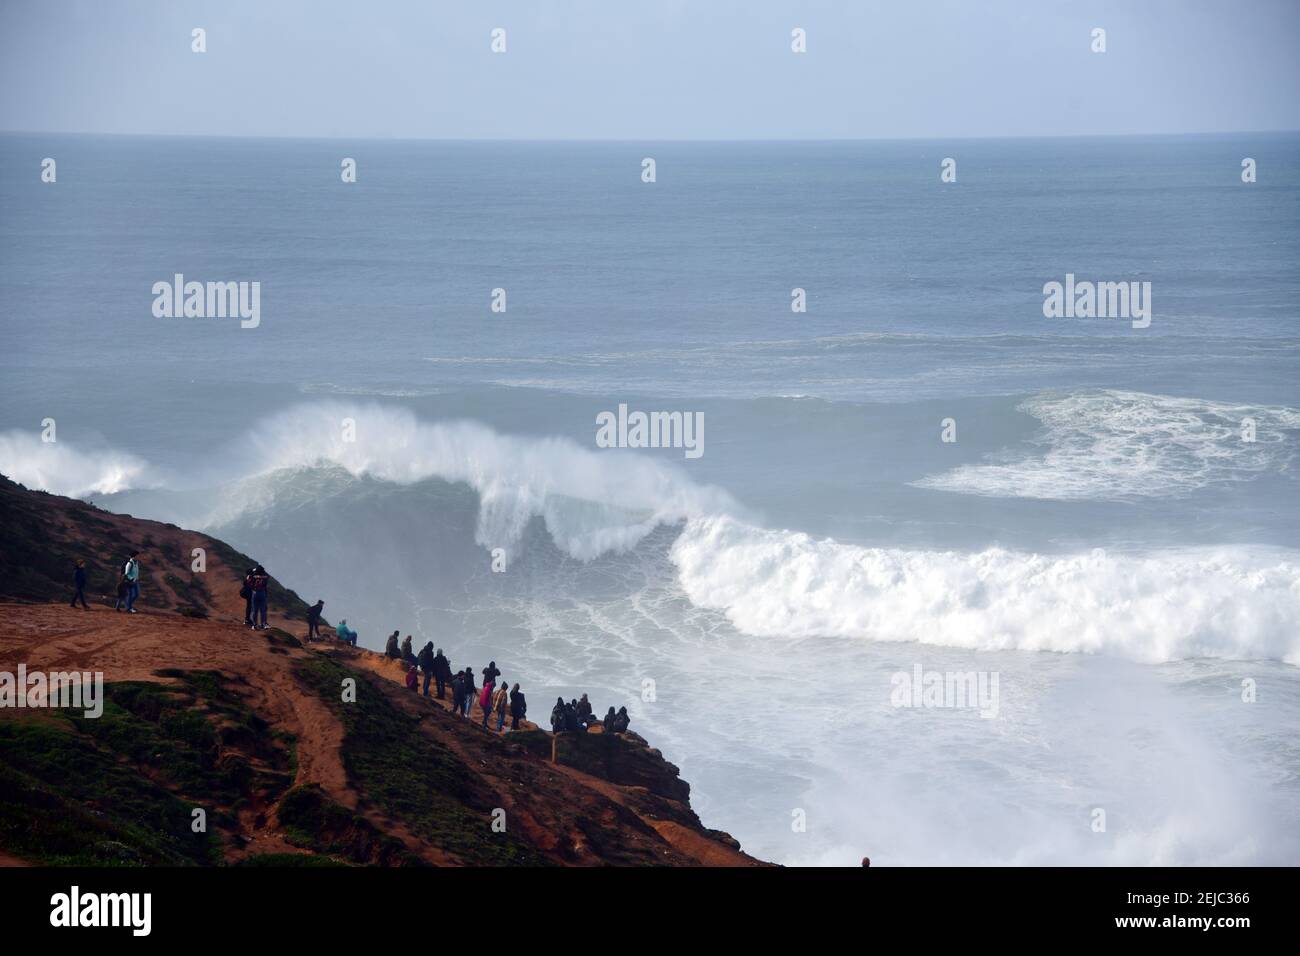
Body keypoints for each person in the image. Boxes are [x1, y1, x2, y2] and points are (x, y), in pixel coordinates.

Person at [248, 565, 270, 629]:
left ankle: (254, 624)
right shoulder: (265, 576)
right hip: (262, 593)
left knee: (254, 610)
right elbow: (267, 577)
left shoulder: (253, 576)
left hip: (255, 593)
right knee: (263, 610)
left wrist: (253, 572)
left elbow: (248, 581)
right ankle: (263, 624)